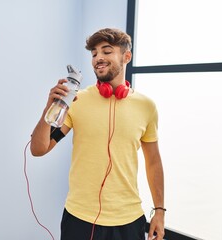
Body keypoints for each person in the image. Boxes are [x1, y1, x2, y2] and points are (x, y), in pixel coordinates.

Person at [30, 28, 165, 240]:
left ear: (126, 57)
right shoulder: (76, 101)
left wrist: (159, 211)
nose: (98, 58)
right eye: (94, 53)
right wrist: (50, 107)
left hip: (129, 221)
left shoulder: (147, 107)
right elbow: (38, 149)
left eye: (107, 51)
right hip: (79, 219)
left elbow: (154, 162)